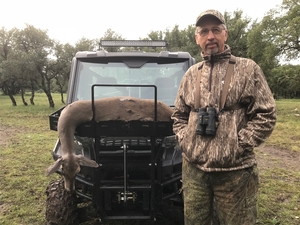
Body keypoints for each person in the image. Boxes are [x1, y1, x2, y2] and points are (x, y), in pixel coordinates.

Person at [171, 9, 277, 225]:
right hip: (194, 171)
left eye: (216, 30)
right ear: (197, 38)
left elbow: (266, 114)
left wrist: (239, 144)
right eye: (204, 31)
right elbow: (179, 115)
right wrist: (186, 140)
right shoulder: (191, 74)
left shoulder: (248, 69)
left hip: (235, 173)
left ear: (225, 34)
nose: (210, 36)